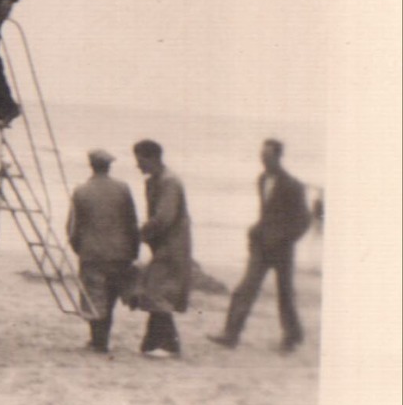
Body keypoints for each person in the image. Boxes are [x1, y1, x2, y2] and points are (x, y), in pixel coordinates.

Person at [209, 139, 313, 353]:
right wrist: (256, 230)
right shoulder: (262, 179)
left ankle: (291, 337)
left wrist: (285, 238)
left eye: (267, 157)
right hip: (261, 247)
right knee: (244, 289)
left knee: (285, 294)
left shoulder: (293, 185)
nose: (263, 161)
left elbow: (303, 220)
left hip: (283, 249)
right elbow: (266, 213)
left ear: (278, 157)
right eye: (261, 157)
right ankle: (230, 334)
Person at [67, 148, 140, 353]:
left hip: (92, 253)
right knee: (111, 297)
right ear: (109, 166)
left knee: (94, 297)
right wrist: (134, 251)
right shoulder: (123, 188)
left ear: (91, 165)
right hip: (120, 253)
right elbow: (132, 223)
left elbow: (73, 227)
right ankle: (102, 339)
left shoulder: (81, 190)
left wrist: (79, 248)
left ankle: (98, 341)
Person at [130, 139, 192, 359]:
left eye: (140, 160)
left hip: (173, 245)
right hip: (163, 244)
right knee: (155, 291)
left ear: (153, 158)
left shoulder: (169, 182)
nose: (138, 166)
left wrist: (140, 234)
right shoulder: (155, 181)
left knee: (155, 292)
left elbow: (164, 218)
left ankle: (166, 344)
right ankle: (154, 343)